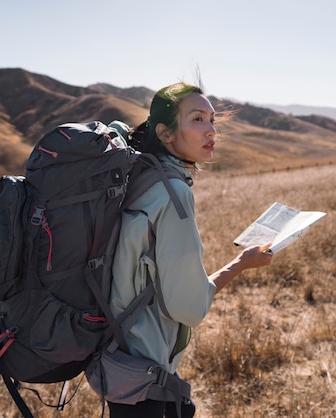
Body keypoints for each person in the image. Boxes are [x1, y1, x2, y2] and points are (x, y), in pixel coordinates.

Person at [108, 82, 273, 418]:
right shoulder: (173, 194)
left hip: (116, 361)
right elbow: (190, 308)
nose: (211, 130)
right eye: (197, 119)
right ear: (165, 133)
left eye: (212, 120)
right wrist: (241, 263)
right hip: (146, 377)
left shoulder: (135, 177)